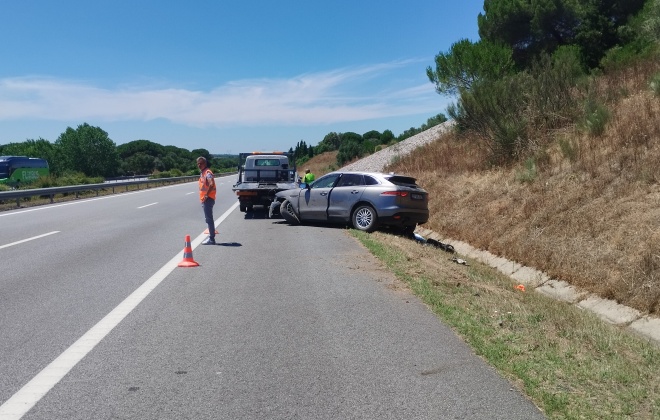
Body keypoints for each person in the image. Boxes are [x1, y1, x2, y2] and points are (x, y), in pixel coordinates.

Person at [197, 157, 217, 245]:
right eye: (198, 163)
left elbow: (211, 184)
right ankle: (211, 238)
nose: (199, 165)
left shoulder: (207, 173)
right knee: (208, 219)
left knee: (209, 219)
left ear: (205, 163)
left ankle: (211, 239)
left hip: (208, 199)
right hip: (205, 199)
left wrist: (206, 195)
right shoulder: (203, 173)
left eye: (201, 163)